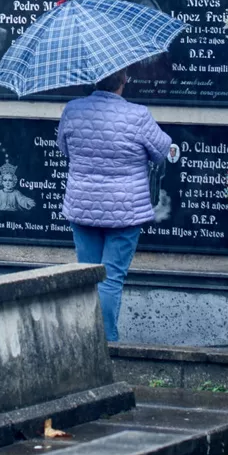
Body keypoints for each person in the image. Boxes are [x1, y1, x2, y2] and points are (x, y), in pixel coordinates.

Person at [57, 68, 172, 342]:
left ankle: (87, 342)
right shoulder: (137, 115)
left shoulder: (73, 110)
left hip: (83, 206)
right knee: (110, 278)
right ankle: (106, 343)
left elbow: (64, 147)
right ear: (124, 80)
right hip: (125, 210)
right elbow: (161, 151)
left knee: (87, 277)